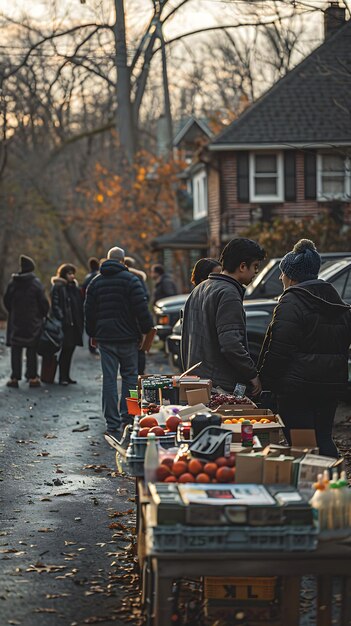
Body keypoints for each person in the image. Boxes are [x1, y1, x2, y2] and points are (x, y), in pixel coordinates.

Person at [258, 239, 351, 458]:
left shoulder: (292, 302)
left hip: (297, 389)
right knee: (324, 438)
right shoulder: (336, 301)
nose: (281, 278)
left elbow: (279, 350)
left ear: (291, 276)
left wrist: (266, 383)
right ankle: (333, 486)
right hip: (330, 385)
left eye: (282, 273)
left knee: (302, 443)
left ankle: (309, 487)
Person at [84, 246, 154, 436]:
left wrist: (92, 333)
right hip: (128, 338)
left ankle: (112, 423)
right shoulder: (132, 280)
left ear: (106, 260)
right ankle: (129, 418)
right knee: (130, 378)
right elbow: (142, 308)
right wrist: (148, 329)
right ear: (123, 261)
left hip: (105, 338)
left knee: (109, 379)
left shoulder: (95, 283)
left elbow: (88, 311)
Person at [181, 238, 265, 395]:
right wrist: (252, 374)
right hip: (219, 387)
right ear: (242, 266)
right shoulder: (228, 294)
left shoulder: (199, 289)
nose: (255, 272)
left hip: (196, 382)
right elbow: (231, 344)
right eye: (255, 266)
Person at [4, 255, 49, 388]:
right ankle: (32, 377)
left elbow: (6, 301)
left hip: (16, 321)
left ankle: (14, 378)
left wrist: (13, 312)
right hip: (32, 322)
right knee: (31, 350)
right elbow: (44, 304)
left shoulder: (13, 283)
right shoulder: (36, 284)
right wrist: (42, 315)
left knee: (16, 350)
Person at [51, 263, 84, 385]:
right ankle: (62, 377)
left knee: (70, 350)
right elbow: (55, 305)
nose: (72, 276)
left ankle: (66, 375)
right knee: (66, 350)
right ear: (64, 274)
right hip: (65, 324)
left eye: (73, 273)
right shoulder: (58, 287)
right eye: (70, 273)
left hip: (74, 324)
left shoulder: (74, 288)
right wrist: (62, 318)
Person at [124, 256, 149, 375]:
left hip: (123, 323)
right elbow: (144, 300)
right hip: (136, 322)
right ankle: (140, 374)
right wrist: (147, 328)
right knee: (140, 350)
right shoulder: (137, 278)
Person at [81, 257, 100, 354]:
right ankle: (95, 346)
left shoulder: (87, 277)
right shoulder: (98, 276)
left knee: (91, 324)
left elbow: (83, 290)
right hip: (98, 304)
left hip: (89, 302)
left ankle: (91, 346)